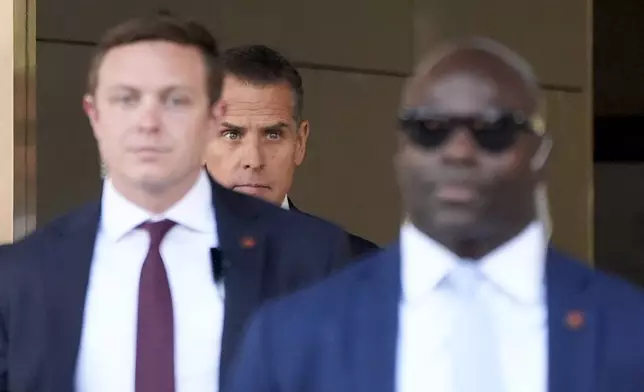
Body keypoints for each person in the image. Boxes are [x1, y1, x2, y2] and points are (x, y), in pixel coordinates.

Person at [225, 38, 644, 392]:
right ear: (400, 154)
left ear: (541, 153)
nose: (459, 152)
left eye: (493, 129)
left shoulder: (625, 328)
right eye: (431, 129)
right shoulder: (292, 329)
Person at [0, 14, 353, 392]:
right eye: (127, 99)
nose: (149, 122)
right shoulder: (20, 275)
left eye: (176, 100)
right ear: (95, 115)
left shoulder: (313, 255)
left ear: (211, 116)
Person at [204, 44, 379, 257]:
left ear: (300, 142)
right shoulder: (160, 258)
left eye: (273, 135)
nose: (253, 159)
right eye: (232, 134)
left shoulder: (358, 266)